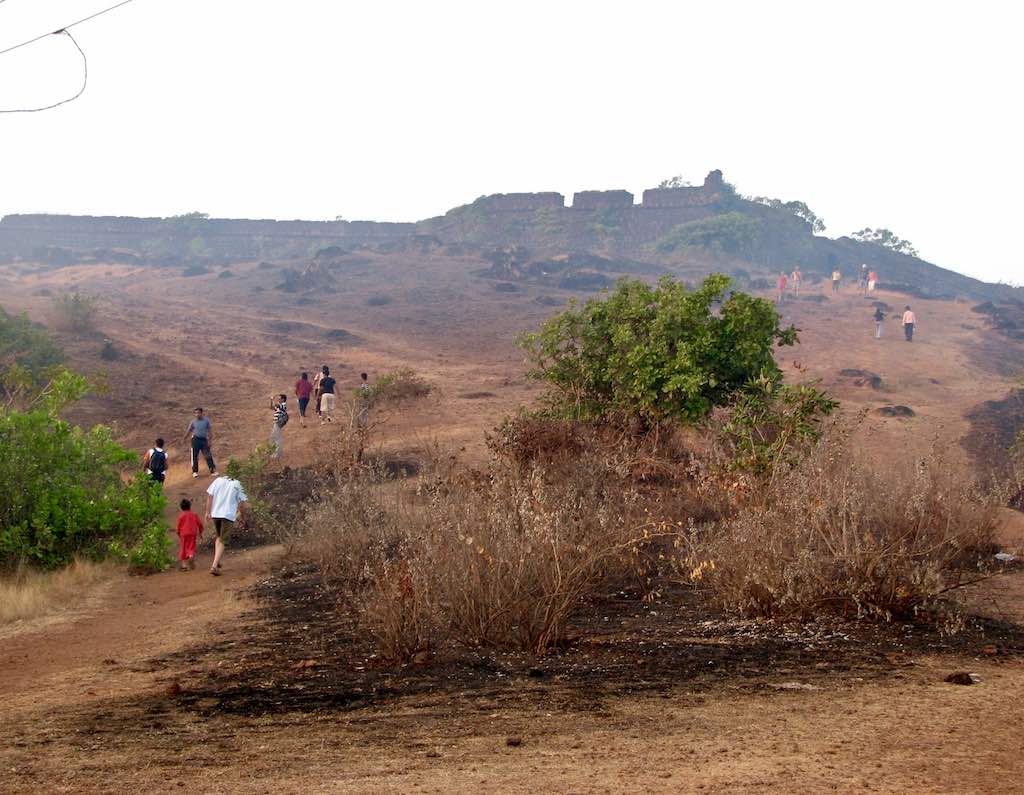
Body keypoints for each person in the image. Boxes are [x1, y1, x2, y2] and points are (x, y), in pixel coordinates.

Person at [205, 473, 248, 576]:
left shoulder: (218, 480)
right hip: (228, 515)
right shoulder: (237, 484)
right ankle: (214, 566)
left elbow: (210, 496)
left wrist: (207, 512)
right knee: (224, 540)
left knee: (219, 537)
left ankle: (217, 560)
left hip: (216, 513)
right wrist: (242, 516)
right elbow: (242, 504)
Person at [184, 407, 217, 479]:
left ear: (202, 413)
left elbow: (209, 431)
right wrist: (184, 438)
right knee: (195, 456)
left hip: (204, 440)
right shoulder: (193, 422)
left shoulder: (206, 421)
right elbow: (189, 430)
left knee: (208, 455)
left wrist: (210, 441)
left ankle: (212, 470)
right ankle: (195, 472)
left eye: (198, 413)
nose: (197, 414)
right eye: (195, 413)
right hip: (195, 440)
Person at [176, 498, 204, 571]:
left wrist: (178, 533)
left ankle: (184, 565)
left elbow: (178, 526)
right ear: (190, 506)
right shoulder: (194, 515)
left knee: (183, 548)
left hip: (183, 534)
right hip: (192, 533)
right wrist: (200, 532)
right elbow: (200, 524)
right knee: (191, 547)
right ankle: (191, 556)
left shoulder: (181, 516)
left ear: (181, 507)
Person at [270, 393, 288, 459]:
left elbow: (276, 405)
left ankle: (278, 454)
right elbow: (271, 407)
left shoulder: (283, 405)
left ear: (283, 399)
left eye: (279, 398)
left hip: (278, 423)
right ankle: (275, 452)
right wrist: (271, 400)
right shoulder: (280, 406)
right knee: (274, 437)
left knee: (277, 438)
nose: (278, 399)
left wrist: (272, 399)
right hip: (276, 423)